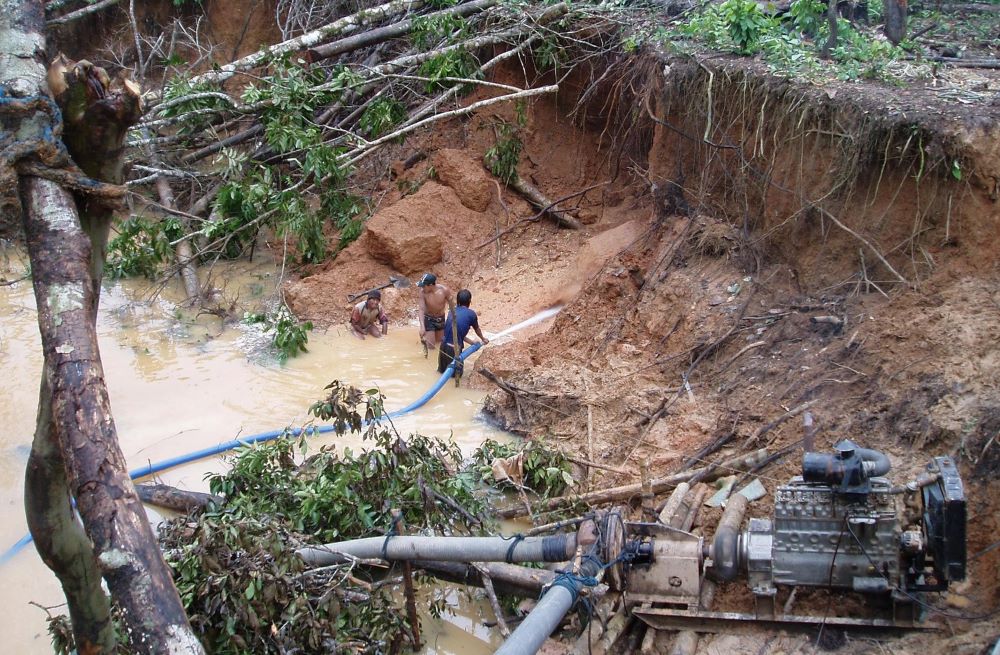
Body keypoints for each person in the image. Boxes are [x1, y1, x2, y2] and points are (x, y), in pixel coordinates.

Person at [438, 289, 489, 374]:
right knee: (455, 378)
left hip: (443, 347)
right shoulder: (471, 314)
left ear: (458, 301)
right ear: (469, 301)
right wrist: (483, 339)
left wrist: (472, 342)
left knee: (441, 373)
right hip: (454, 350)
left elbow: (457, 334)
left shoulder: (452, 311)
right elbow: (477, 330)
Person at [417, 273, 452, 356]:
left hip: (440, 319)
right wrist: (422, 326)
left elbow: (452, 307)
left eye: (424, 286)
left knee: (440, 344)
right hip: (429, 319)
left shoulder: (444, 291)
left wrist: (451, 321)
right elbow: (421, 309)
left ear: (431, 285)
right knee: (431, 346)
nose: (422, 287)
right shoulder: (422, 292)